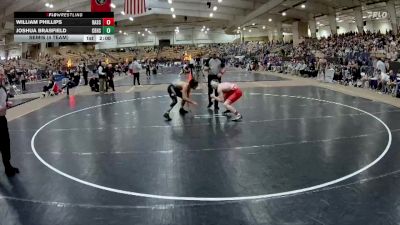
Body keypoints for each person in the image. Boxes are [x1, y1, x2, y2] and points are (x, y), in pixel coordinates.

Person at [0, 74, 19, 176]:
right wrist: (4, 108)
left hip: (2, 120)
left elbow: (3, 102)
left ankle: (8, 167)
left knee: (5, 145)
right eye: (0, 74)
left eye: (2, 74)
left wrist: (6, 103)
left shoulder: (2, 87)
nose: (2, 76)